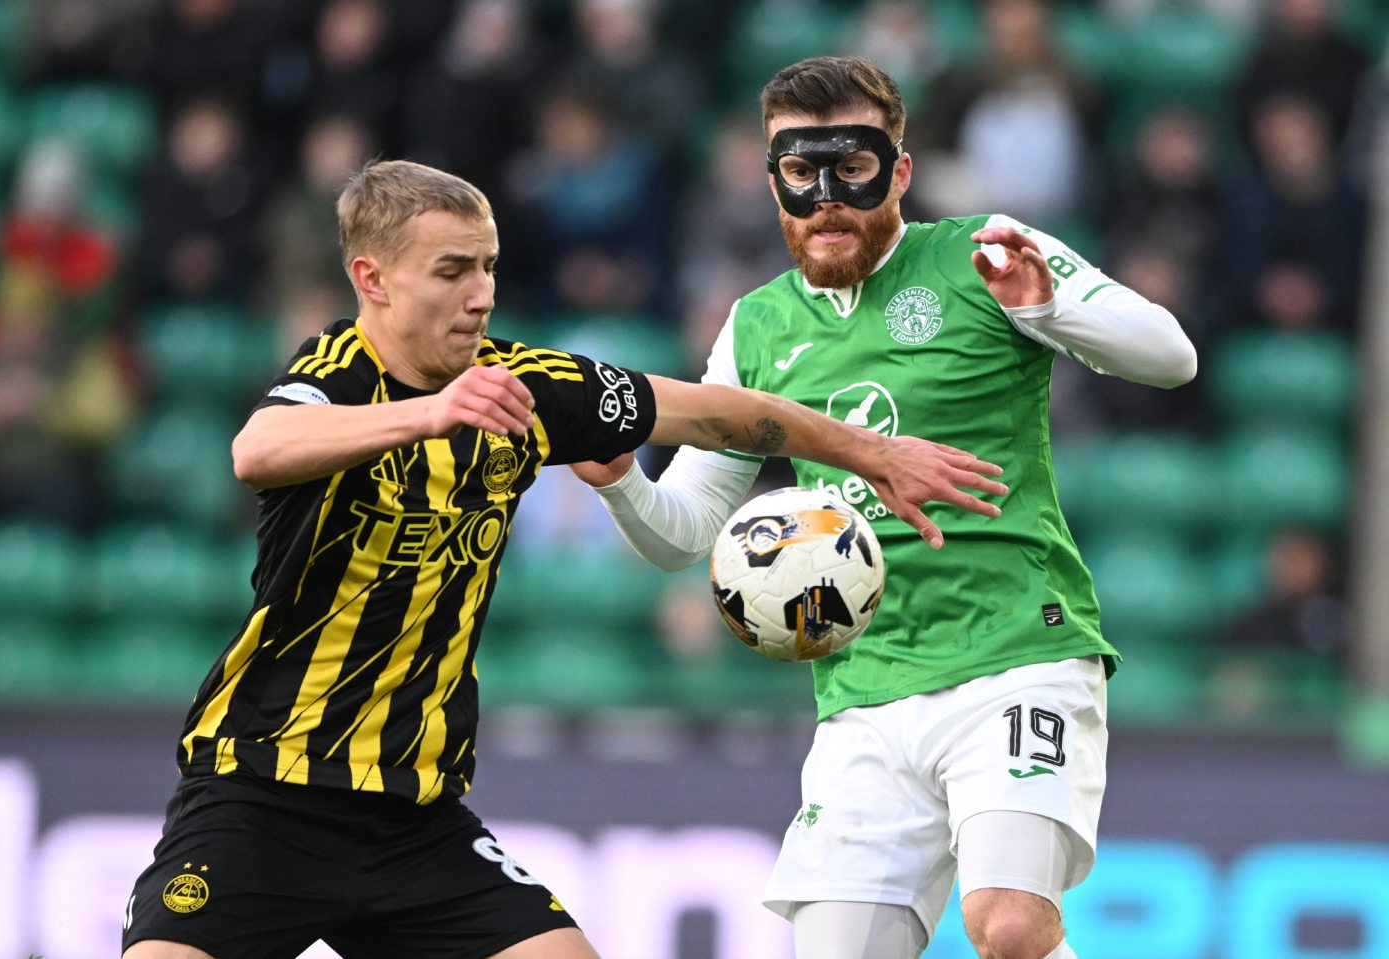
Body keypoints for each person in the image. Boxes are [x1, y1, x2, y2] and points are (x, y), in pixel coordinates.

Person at [120, 158, 1009, 959]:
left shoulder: (529, 385)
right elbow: (258, 448)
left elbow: (717, 414)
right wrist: (433, 413)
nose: (481, 294)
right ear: (372, 278)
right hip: (260, 793)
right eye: (452, 270)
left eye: (490, 266)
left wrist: (871, 452)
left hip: (412, 818)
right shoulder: (340, 370)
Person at [570, 57, 1198, 959]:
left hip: (1017, 653)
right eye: (800, 171)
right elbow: (687, 533)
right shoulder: (754, 329)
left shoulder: (983, 252)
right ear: (772, 178)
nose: (826, 196)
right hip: (864, 693)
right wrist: (623, 480)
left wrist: (1053, 303)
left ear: (899, 170)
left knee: (1011, 923)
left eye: (853, 167)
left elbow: (1170, 354)